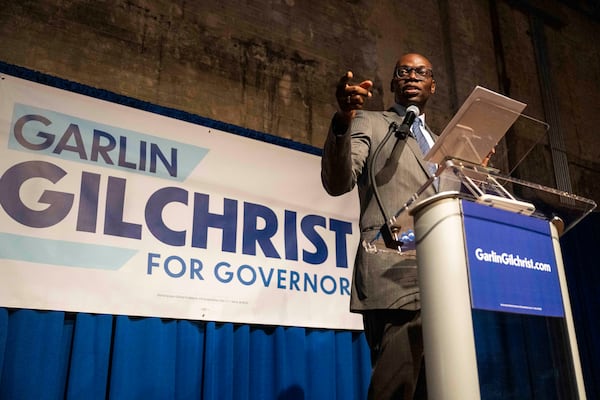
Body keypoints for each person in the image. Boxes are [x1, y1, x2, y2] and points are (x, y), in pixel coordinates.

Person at [321, 53, 438, 399]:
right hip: (393, 272)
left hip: (441, 279)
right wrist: (344, 119)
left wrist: (470, 170)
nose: (412, 77)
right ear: (393, 84)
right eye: (403, 71)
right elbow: (338, 182)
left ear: (433, 84)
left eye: (421, 72)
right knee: (395, 388)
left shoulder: (440, 142)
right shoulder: (370, 122)